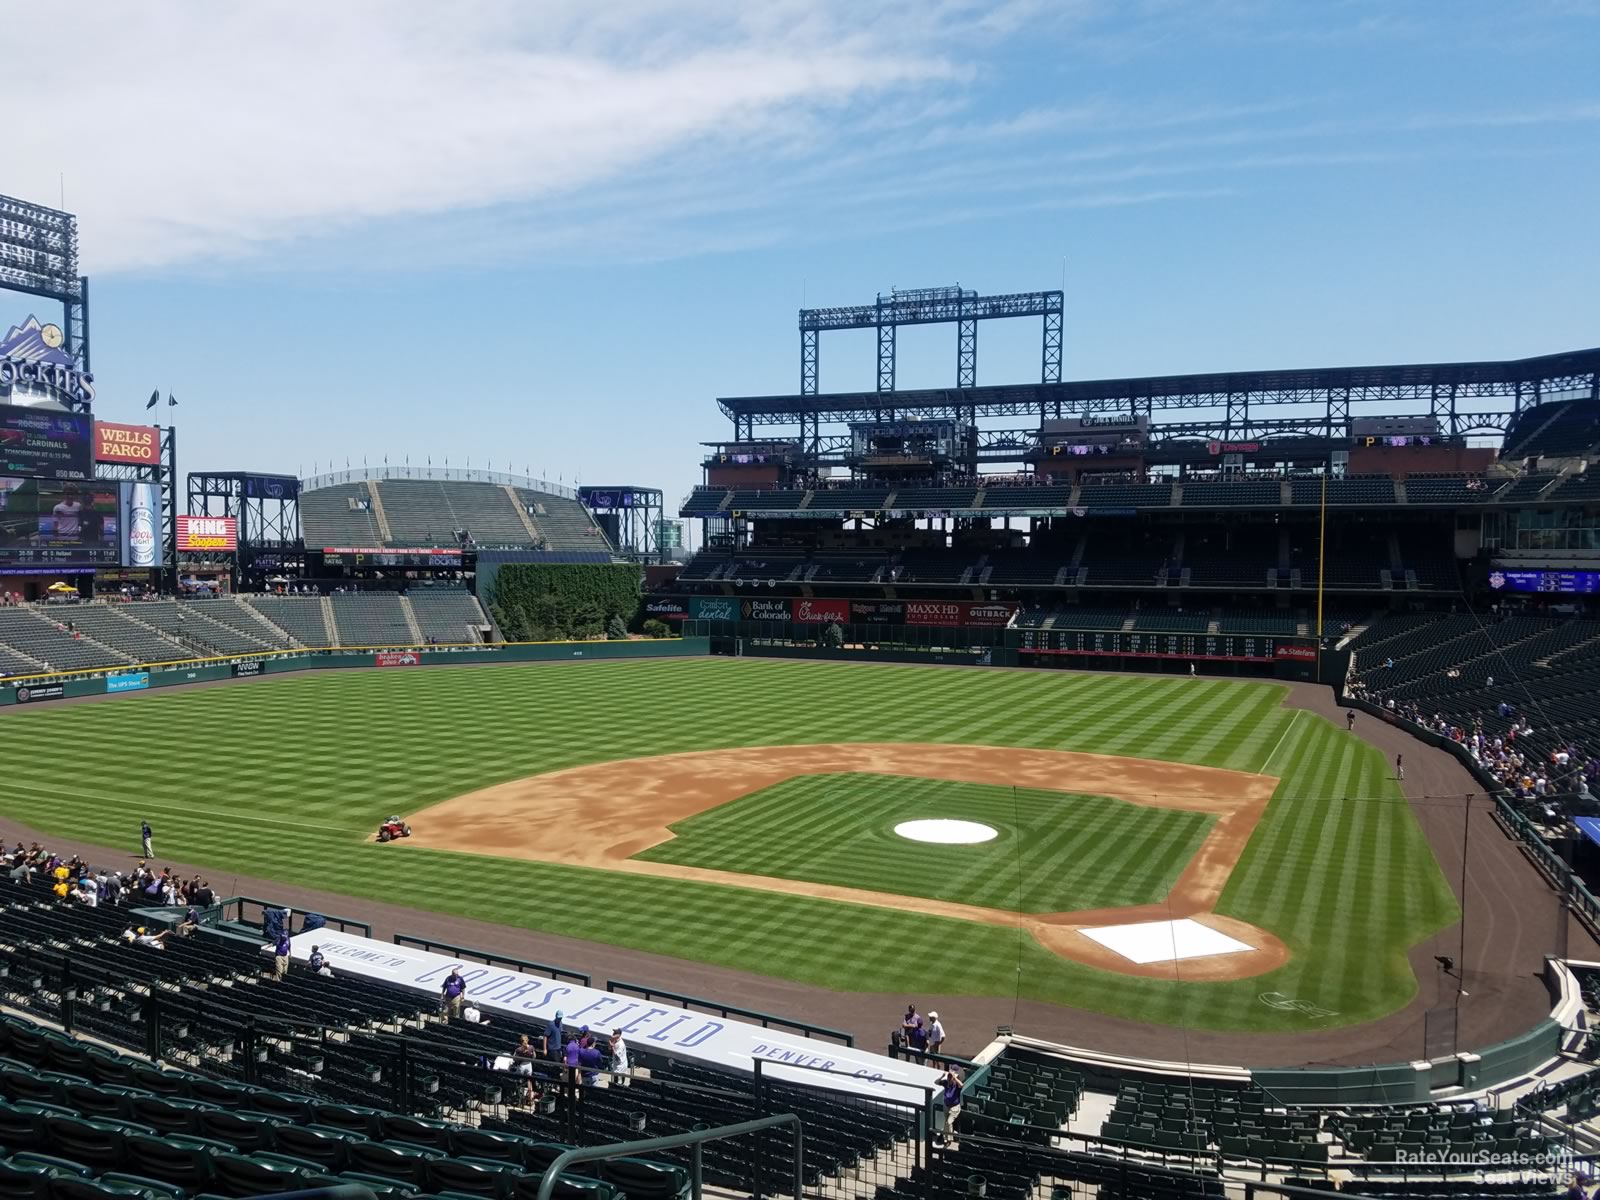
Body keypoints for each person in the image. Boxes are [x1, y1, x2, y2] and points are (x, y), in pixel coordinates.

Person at [935, 1066, 963, 1145]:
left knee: (949, 1122)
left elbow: (961, 1085)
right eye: (948, 1076)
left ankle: (949, 1139)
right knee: (946, 1122)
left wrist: (955, 1077)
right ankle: (945, 1138)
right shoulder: (945, 1082)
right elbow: (936, 1082)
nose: (949, 1078)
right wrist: (942, 1076)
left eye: (950, 1077)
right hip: (946, 1106)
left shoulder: (956, 1085)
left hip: (954, 1108)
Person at [512, 1034, 539, 1104]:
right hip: (529, 1065)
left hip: (522, 1066)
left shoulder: (518, 1049)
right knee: (529, 1081)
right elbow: (534, 1057)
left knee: (518, 1081)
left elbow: (514, 1058)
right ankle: (530, 1099)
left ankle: (518, 1097)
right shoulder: (531, 1047)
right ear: (528, 1040)